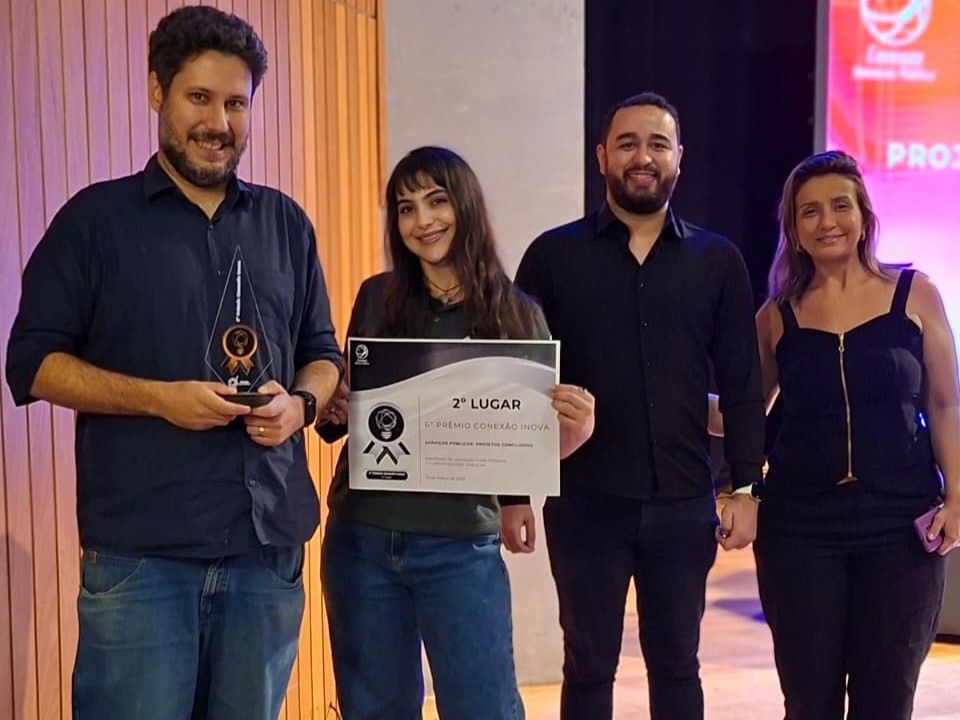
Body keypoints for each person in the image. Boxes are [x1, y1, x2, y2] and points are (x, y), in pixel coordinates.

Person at [5, 6, 342, 720]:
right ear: (158, 91)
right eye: (199, 97)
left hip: (267, 551)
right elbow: (32, 364)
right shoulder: (93, 222)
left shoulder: (286, 222)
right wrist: (159, 399)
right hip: (142, 559)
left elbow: (322, 354)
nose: (218, 122)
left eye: (235, 103)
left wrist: (300, 407)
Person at [316, 145, 596, 720]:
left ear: (465, 205)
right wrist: (333, 405)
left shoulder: (516, 314)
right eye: (406, 208)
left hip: (459, 546)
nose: (423, 221)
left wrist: (574, 433)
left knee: (483, 708)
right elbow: (354, 418)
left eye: (436, 201)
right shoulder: (376, 298)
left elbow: (526, 446)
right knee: (372, 710)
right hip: (361, 540)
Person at [514, 92, 766, 720]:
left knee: (678, 666)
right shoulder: (552, 257)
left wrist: (746, 487)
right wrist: (513, 492)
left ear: (679, 157)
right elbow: (516, 381)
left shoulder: (717, 261)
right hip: (584, 502)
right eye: (627, 143)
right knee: (587, 666)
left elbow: (742, 383)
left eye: (657, 144)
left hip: (683, 503)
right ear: (602, 157)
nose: (643, 157)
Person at [749, 150, 960, 719]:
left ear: (864, 216)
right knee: (809, 703)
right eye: (809, 211)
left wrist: (958, 497)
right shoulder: (777, 316)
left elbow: (945, 403)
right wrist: (668, 403)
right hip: (799, 529)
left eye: (840, 206)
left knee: (886, 701)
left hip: (901, 524)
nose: (828, 221)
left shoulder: (915, 293)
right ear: (794, 229)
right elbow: (745, 415)